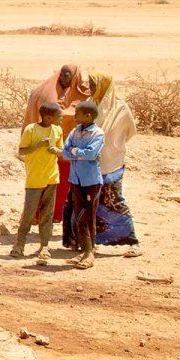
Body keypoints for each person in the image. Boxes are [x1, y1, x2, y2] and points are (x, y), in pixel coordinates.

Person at [23, 64, 90, 220]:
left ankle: (55, 215)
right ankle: (38, 215)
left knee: (61, 185)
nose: (64, 78)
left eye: (68, 75)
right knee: (41, 183)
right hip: (44, 146)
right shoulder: (47, 92)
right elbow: (53, 114)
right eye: (62, 74)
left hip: (64, 149)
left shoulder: (80, 93)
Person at [88, 73, 142, 257]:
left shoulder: (121, 108)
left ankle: (131, 240)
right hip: (90, 164)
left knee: (114, 200)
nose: (90, 88)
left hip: (113, 162)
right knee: (91, 203)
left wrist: (113, 144)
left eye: (93, 85)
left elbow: (130, 131)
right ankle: (89, 242)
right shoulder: (89, 105)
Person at [13, 101, 66, 260]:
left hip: (52, 177)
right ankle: (19, 243)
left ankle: (44, 246)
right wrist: (38, 145)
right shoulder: (31, 129)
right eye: (59, 116)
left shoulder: (57, 130)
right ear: (49, 117)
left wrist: (56, 151)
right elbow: (22, 151)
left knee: (47, 215)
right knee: (29, 214)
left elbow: (61, 152)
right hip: (35, 179)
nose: (61, 119)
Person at [60, 100, 106, 269]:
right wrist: (78, 153)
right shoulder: (75, 131)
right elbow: (65, 151)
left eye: (77, 113)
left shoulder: (98, 134)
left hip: (91, 180)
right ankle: (86, 251)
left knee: (86, 217)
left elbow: (91, 154)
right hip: (76, 179)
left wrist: (74, 152)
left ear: (88, 115)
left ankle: (89, 253)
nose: (74, 116)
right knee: (78, 215)